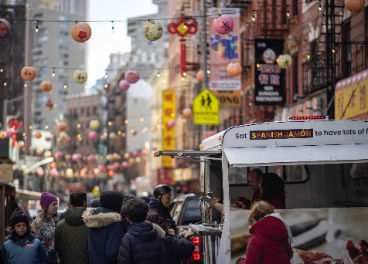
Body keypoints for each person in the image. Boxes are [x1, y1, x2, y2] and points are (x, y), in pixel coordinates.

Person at [118, 199, 165, 264]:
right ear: (147, 215)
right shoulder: (157, 234)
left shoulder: (128, 238)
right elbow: (162, 258)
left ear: (127, 218)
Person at [83, 191, 124, 264]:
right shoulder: (114, 223)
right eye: (121, 203)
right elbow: (112, 252)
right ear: (116, 204)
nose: (123, 206)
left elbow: (87, 246)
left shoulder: (92, 220)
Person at [55, 189, 89, 264]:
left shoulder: (60, 225)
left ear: (70, 202)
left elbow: (57, 248)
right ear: (84, 202)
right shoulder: (91, 224)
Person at [32, 192, 59, 262]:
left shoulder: (56, 220)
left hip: (56, 259)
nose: (56, 206)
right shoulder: (38, 223)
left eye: (57, 204)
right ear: (46, 206)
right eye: (54, 204)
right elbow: (33, 245)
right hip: (45, 260)